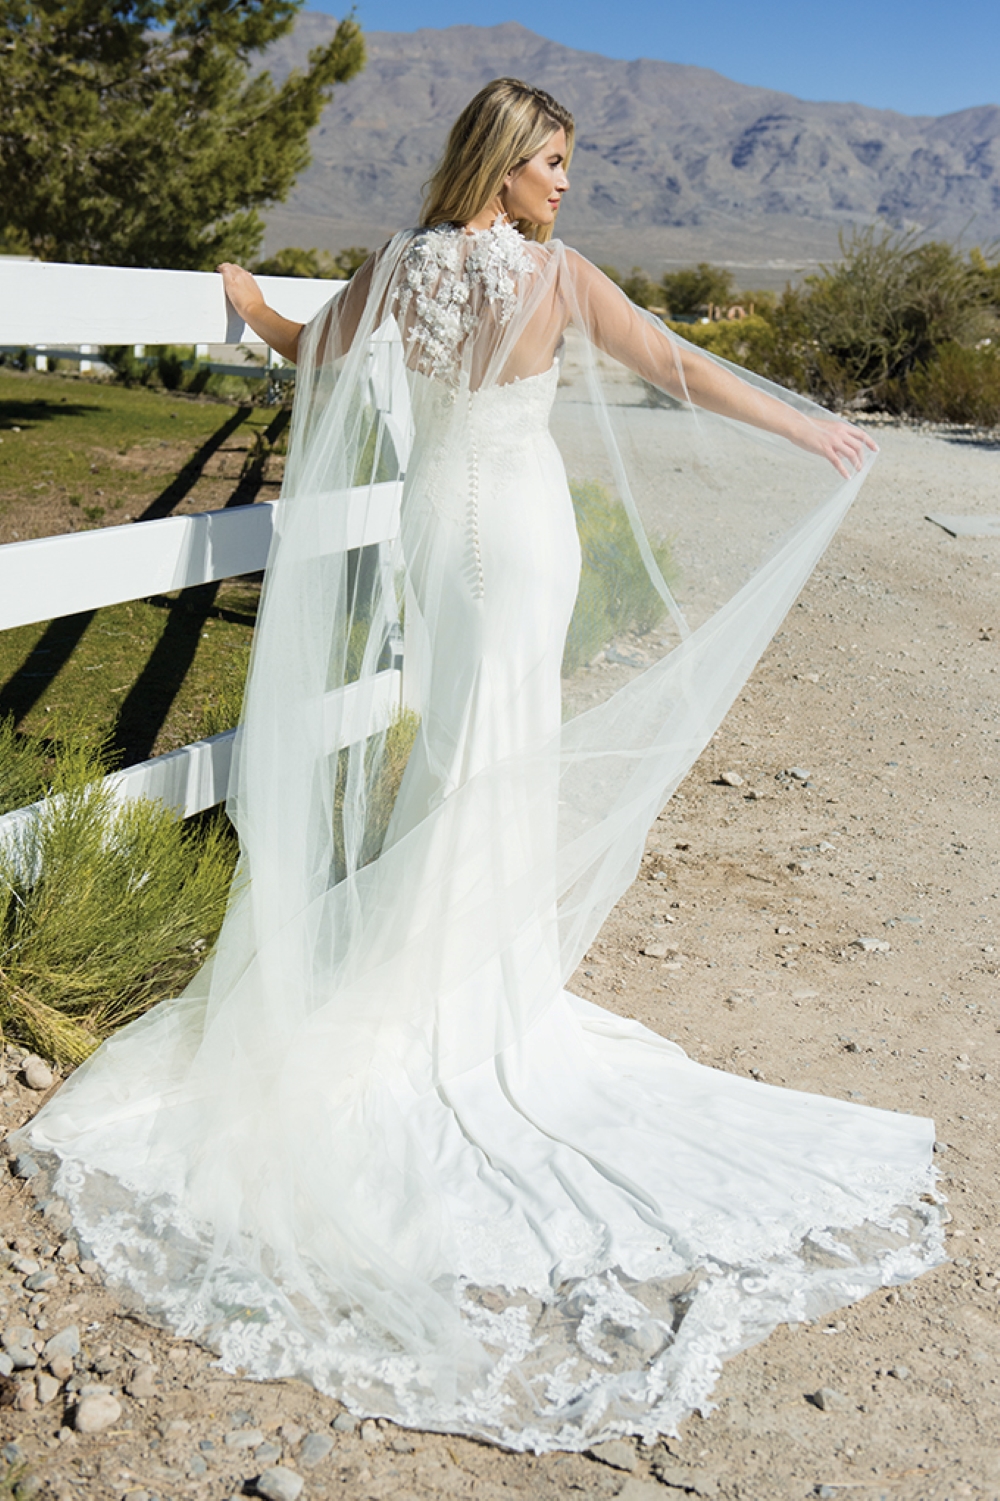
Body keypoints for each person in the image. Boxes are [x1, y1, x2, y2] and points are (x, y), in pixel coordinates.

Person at [19, 79, 942, 1452]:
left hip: (438, 558)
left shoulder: (397, 267)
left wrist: (245, 304)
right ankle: (468, 993)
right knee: (489, 765)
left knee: (459, 762)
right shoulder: (559, 280)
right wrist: (805, 429)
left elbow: (308, 347)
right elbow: (674, 368)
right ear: (504, 167)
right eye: (553, 163)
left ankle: (435, 972)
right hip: (519, 549)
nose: (567, 186)